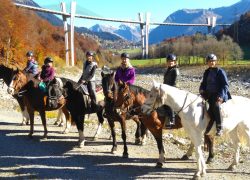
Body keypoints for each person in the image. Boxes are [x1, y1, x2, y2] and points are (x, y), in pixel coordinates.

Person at [199, 53, 231, 136]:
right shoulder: (206, 72)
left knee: (216, 106)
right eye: (210, 61)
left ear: (215, 62)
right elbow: (203, 83)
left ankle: (219, 128)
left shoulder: (220, 71)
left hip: (219, 95)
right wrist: (201, 90)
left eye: (213, 61)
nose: (211, 63)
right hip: (209, 95)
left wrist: (221, 96)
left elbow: (225, 85)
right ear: (207, 62)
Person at [163, 53, 179, 129]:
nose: (170, 62)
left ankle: (172, 120)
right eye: (169, 61)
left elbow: (174, 83)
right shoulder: (167, 70)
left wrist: (167, 90)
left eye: (172, 61)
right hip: (166, 89)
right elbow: (165, 81)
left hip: (173, 90)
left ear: (175, 62)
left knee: (168, 102)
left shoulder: (175, 70)